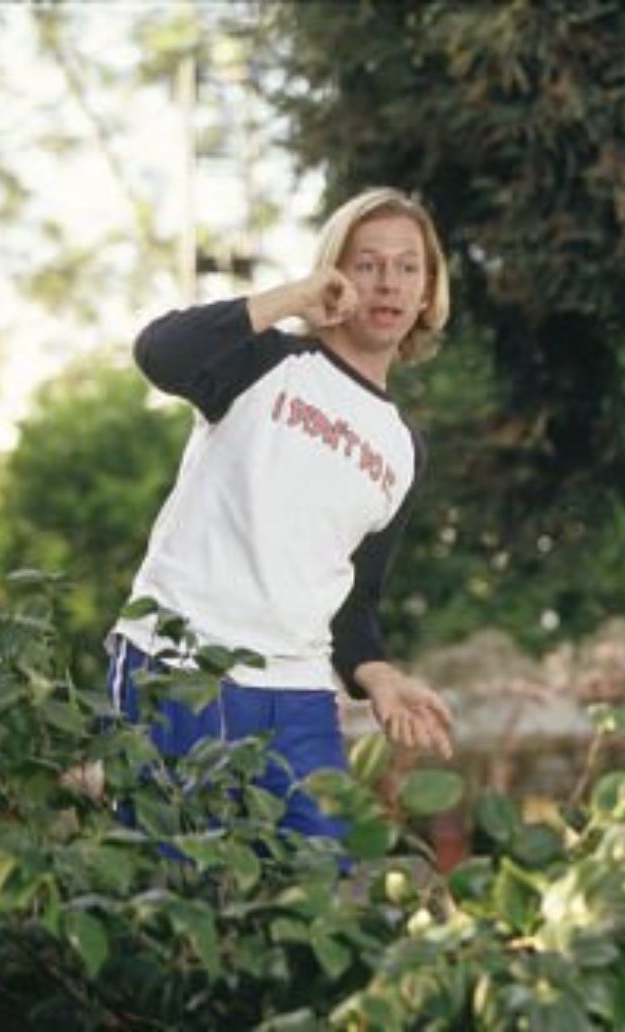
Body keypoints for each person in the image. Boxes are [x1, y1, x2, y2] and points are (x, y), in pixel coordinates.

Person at [107, 186, 454, 844]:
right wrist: (292, 299)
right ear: (334, 273)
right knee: (171, 883)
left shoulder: (403, 449)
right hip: (179, 667)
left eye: (408, 267)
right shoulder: (266, 362)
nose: (388, 282)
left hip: (297, 694)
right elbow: (160, 352)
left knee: (320, 880)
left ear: (427, 291)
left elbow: (353, 598)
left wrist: (379, 675)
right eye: (367, 263)